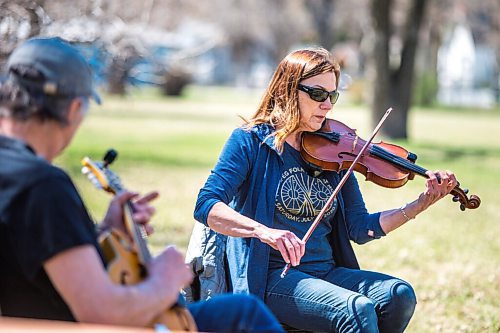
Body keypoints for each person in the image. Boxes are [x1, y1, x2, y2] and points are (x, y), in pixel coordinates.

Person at [0, 36, 285, 333]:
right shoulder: (43, 185)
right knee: (245, 314)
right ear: (74, 109)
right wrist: (165, 279)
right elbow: (103, 313)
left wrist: (106, 231)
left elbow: (36, 257)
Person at [193, 47, 459, 333]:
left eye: (332, 96)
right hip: (271, 277)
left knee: (397, 295)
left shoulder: (334, 149)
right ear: (287, 90)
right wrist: (264, 232)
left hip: (325, 271)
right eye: (318, 94)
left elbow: (360, 227)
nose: (327, 105)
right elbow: (207, 205)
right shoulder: (251, 142)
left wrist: (421, 203)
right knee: (355, 311)